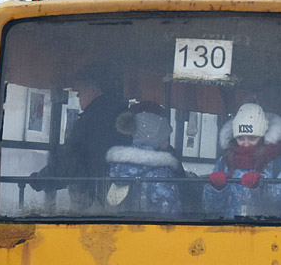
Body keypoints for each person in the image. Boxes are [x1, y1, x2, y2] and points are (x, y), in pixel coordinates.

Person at [28, 60, 128, 208]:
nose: (78, 96)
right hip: (119, 194)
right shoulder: (123, 116)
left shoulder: (90, 121)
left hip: (92, 194)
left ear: (94, 90)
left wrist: (40, 180)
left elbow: (68, 160)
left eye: (80, 90)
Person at [202, 103, 281, 218]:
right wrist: (215, 189)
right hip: (229, 230)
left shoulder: (280, 162)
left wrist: (263, 187)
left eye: (252, 138)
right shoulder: (224, 161)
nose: (246, 144)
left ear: (263, 137)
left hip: (267, 231)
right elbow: (208, 208)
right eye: (240, 138)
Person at [104, 102, 182, 216]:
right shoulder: (160, 172)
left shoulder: (119, 168)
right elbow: (169, 207)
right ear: (153, 138)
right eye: (164, 136)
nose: (168, 141)